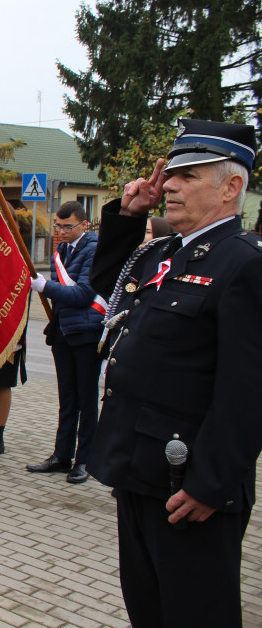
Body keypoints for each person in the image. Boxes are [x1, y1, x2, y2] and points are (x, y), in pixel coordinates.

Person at [89, 118, 262, 625]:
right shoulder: (164, 253)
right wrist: (126, 214)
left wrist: (213, 483)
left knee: (195, 613)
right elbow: (110, 287)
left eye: (189, 176)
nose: (168, 185)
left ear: (231, 187)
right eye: (172, 175)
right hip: (139, 469)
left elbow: (247, 389)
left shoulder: (244, 264)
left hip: (190, 484)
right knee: (148, 608)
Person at [26, 200, 105, 484]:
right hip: (63, 332)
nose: (60, 231)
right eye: (58, 226)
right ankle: (62, 455)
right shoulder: (62, 250)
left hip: (86, 333)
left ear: (84, 224)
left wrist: (45, 286)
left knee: (86, 398)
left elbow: (84, 294)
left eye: (67, 226)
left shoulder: (94, 249)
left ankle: (84, 459)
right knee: (67, 398)